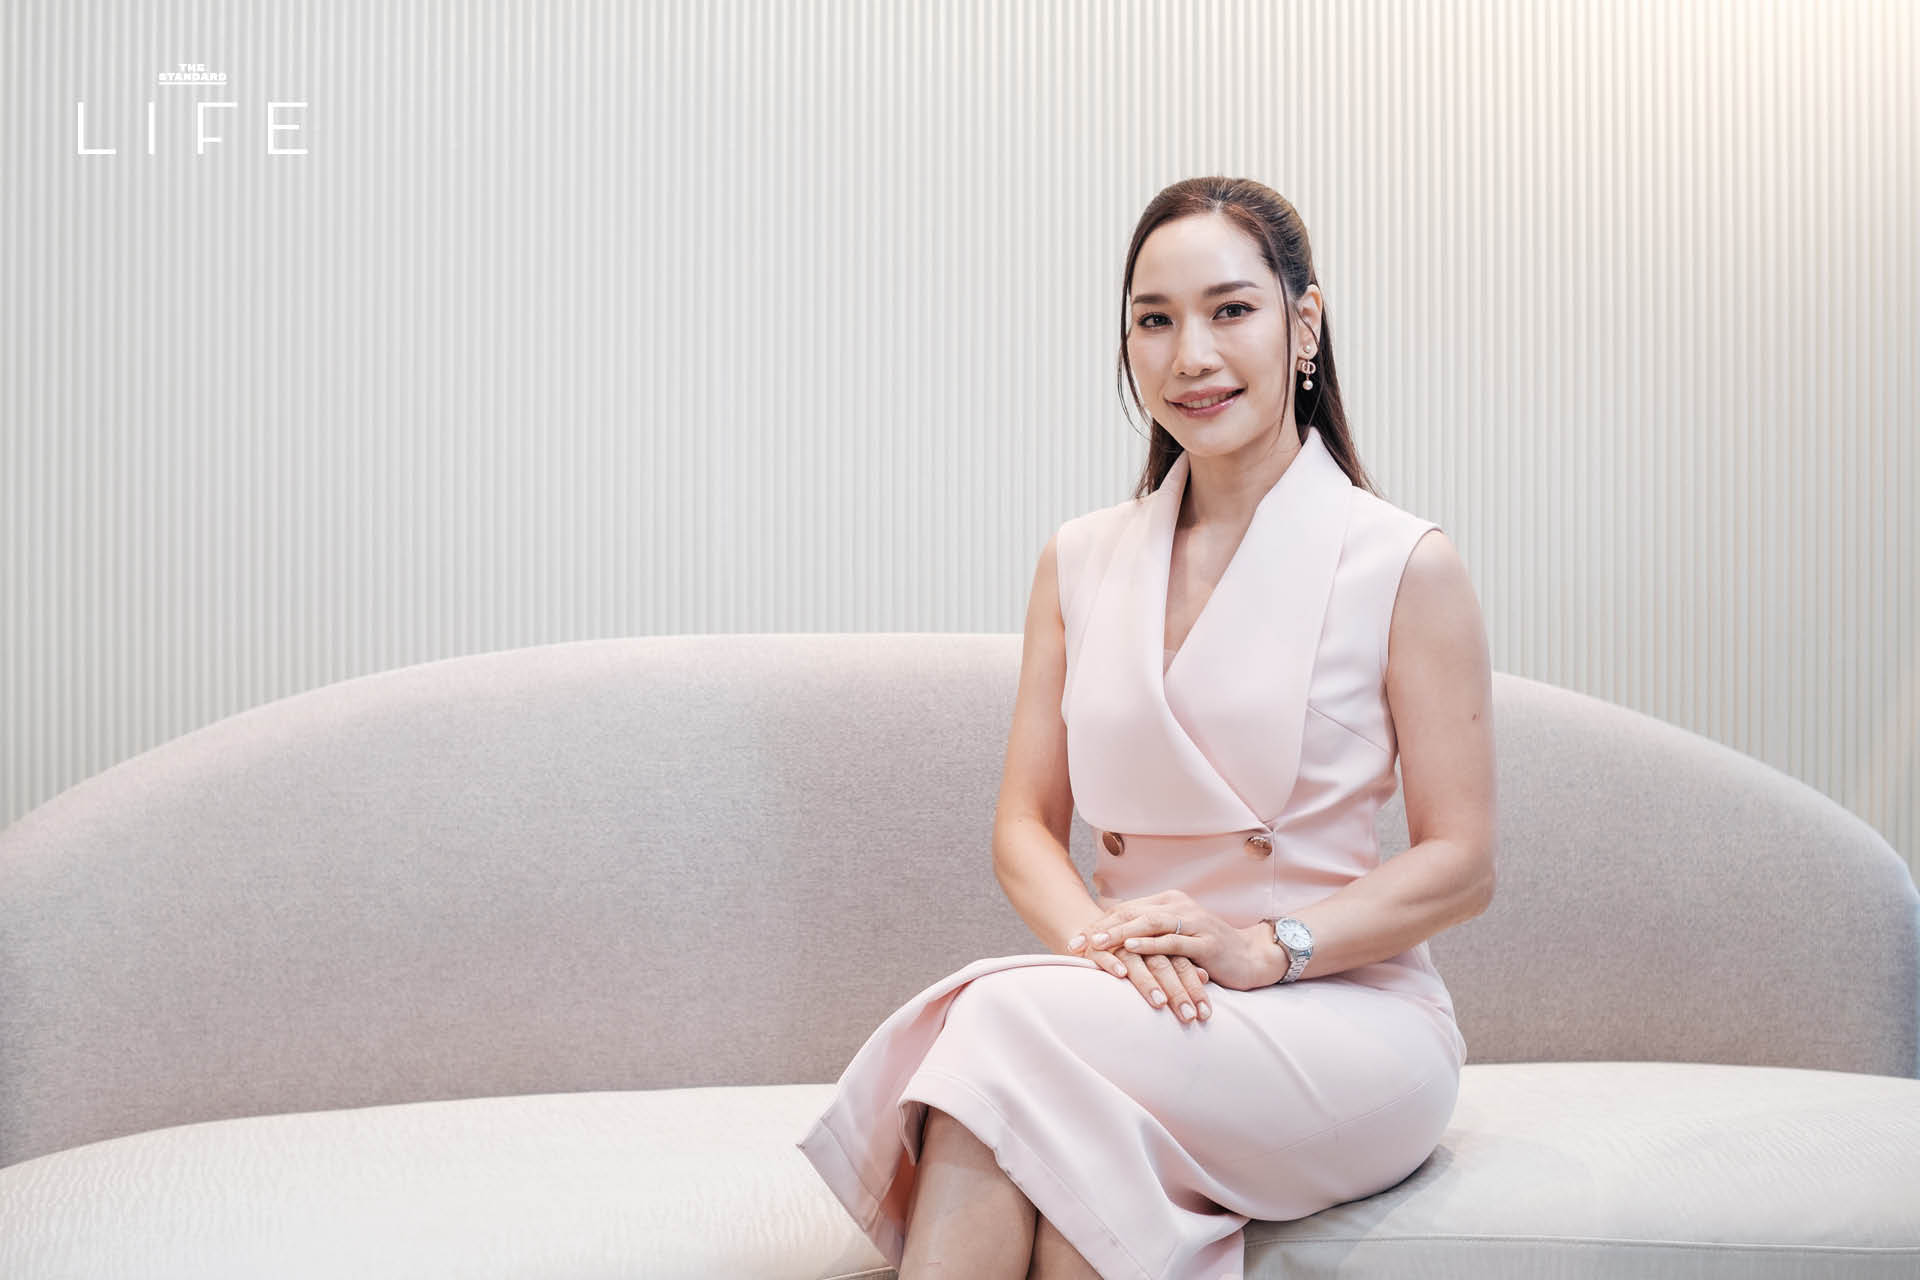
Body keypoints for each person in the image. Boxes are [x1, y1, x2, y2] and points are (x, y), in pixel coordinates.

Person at [795, 177, 1497, 1280]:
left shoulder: (1403, 562)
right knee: (1060, 1175)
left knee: (991, 1030)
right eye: (1154, 320)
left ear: (1304, 324)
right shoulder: (1080, 558)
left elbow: (1462, 862)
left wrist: (1266, 948)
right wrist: (1105, 954)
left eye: (1231, 310)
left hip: (1339, 1014)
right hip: (1131, 1004)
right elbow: (1025, 826)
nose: (1190, 356)